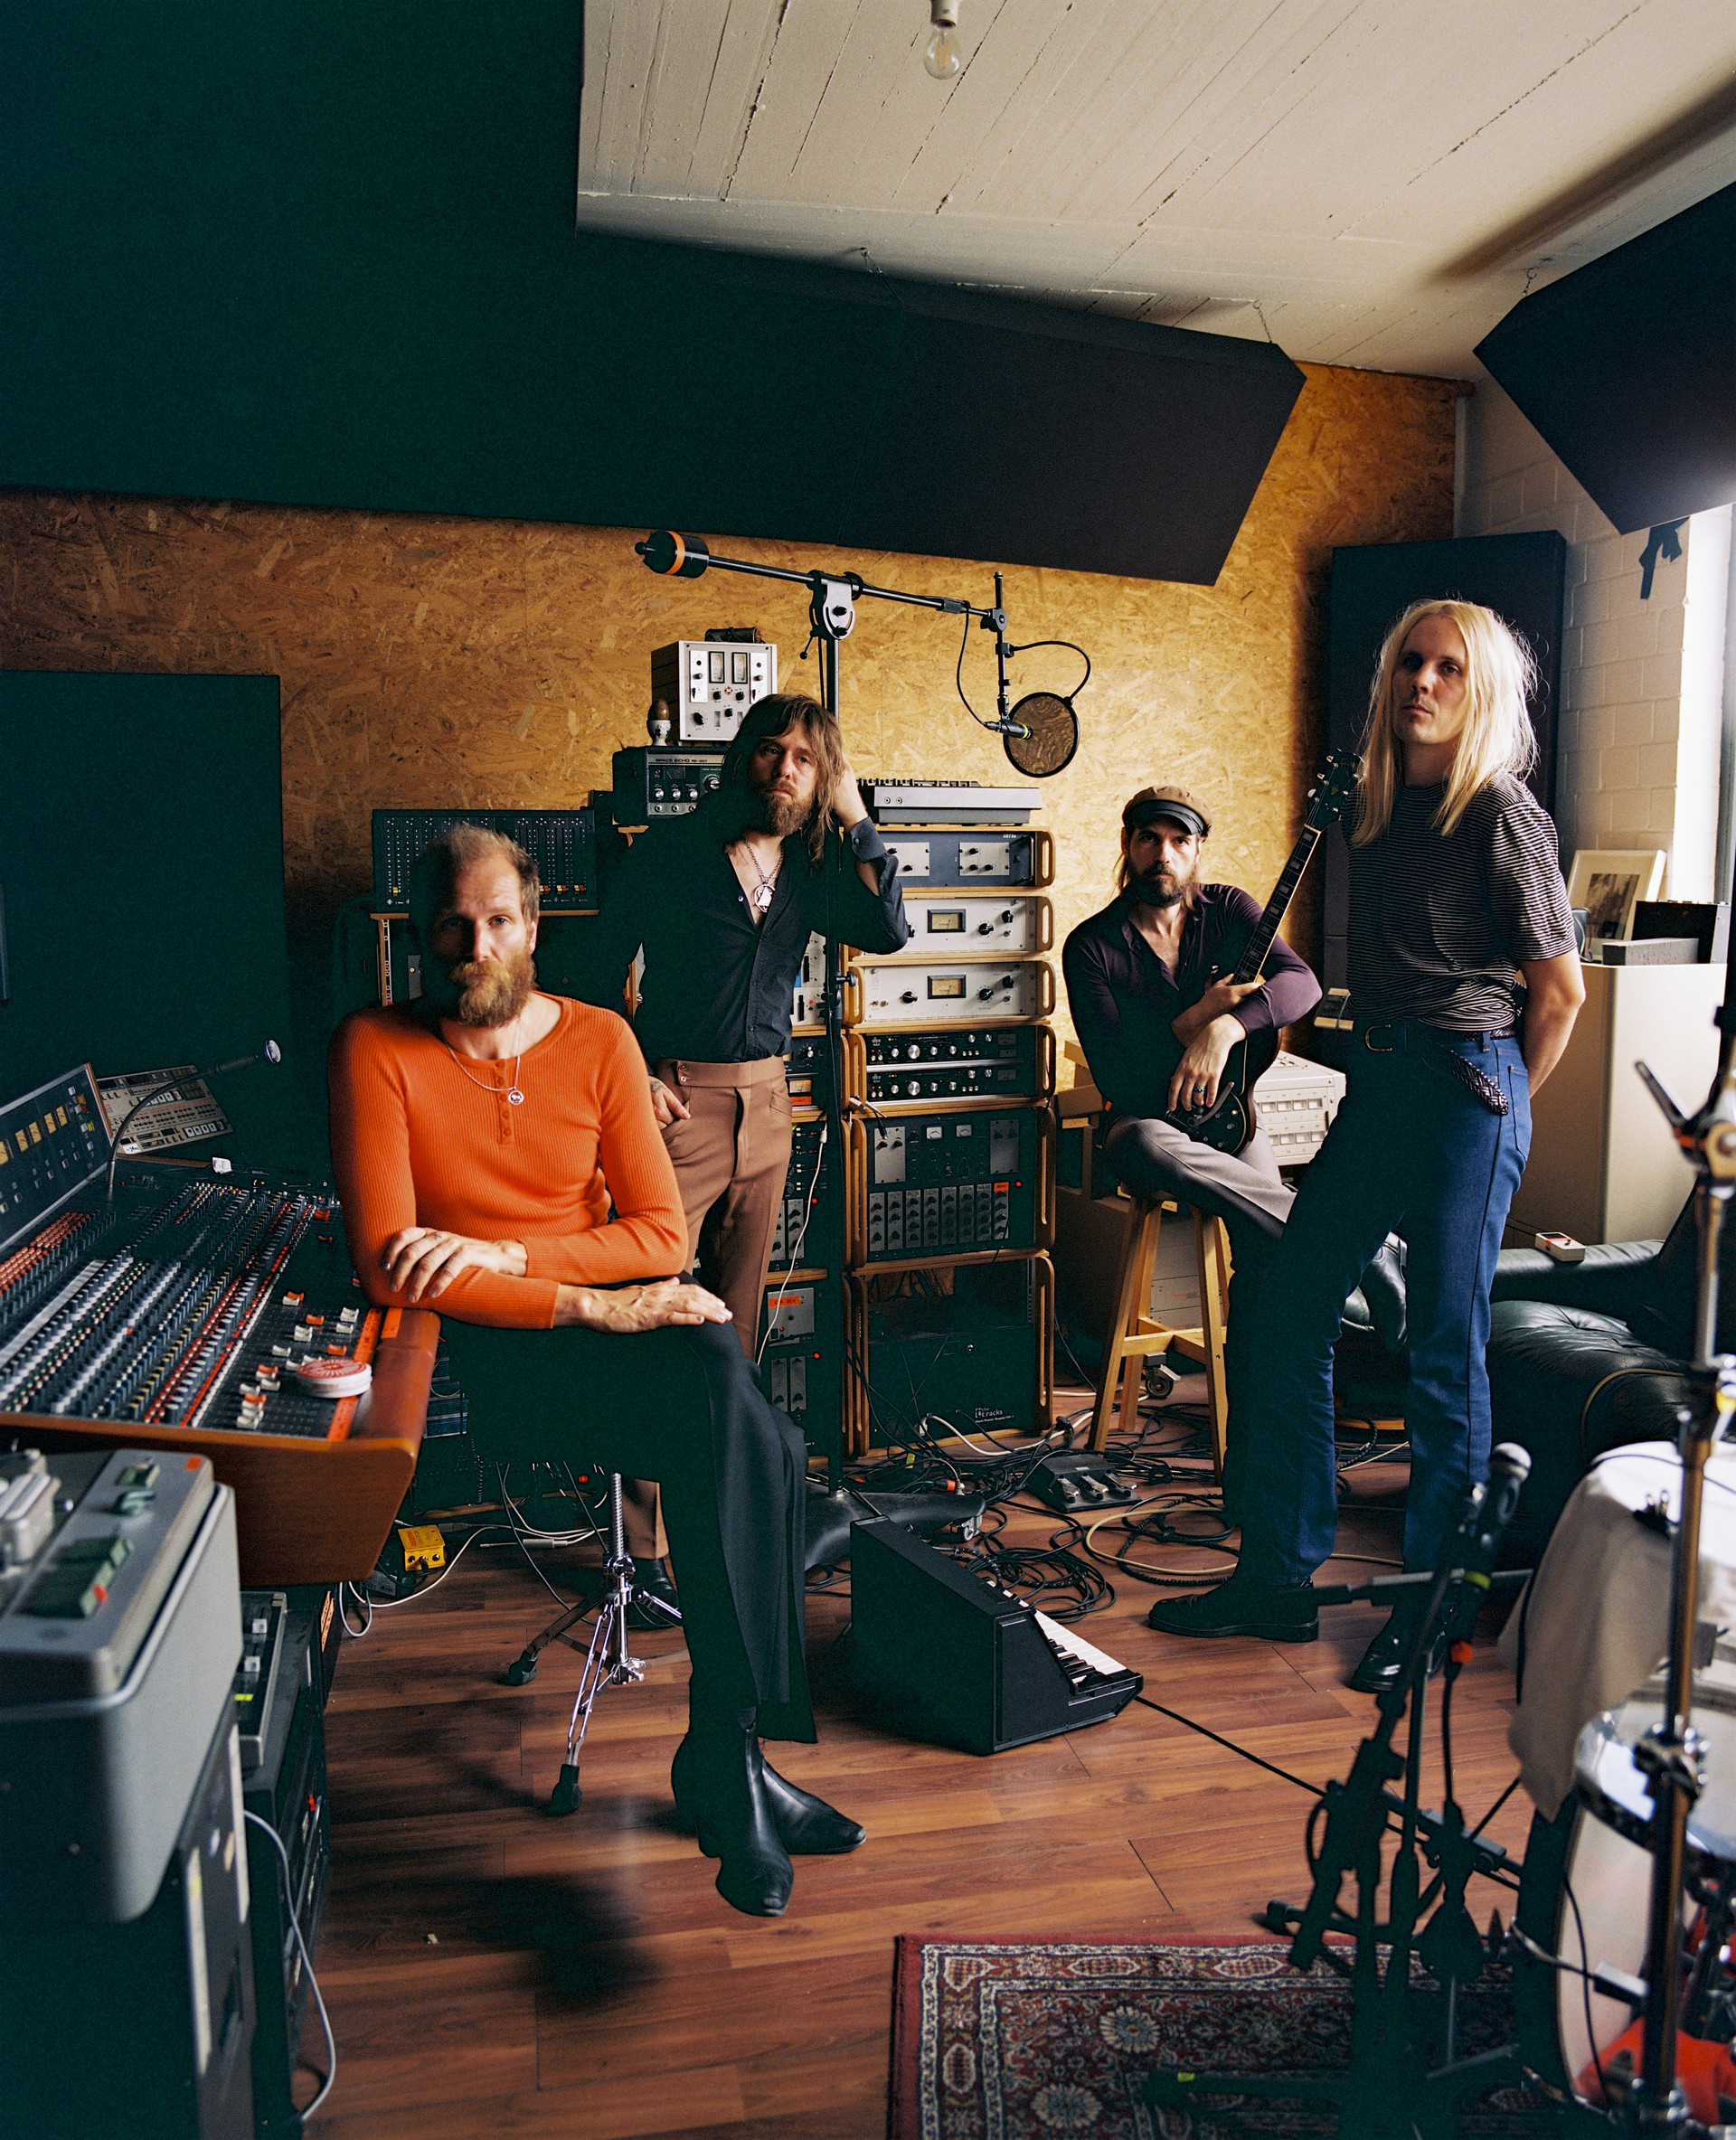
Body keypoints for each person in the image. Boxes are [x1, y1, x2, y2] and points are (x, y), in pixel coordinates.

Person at [327, 824, 865, 1916]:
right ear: (423, 936)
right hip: (510, 1359)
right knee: (749, 1434)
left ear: (534, 925)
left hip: (594, 1319)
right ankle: (729, 1759)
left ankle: (728, 1752)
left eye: (499, 920)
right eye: (453, 926)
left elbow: (660, 1235)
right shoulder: (373, 1047)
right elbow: (392, 1265)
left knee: (719, 1384)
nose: (477, 946)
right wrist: (584, 1300)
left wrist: (505, 1254)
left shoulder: (602, 1038)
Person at [1147, 600, 1584, 1692]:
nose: (1421, 683)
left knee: (1442, 1348)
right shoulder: (1376, 812)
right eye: (1409, 664)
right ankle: (1278, 1579)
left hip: (1467, 1082)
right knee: (1286, 1304)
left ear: (1481, 689)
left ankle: (1437, 1608)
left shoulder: (1501, 812)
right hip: (1378, 1080)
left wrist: (1499, 1111)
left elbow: (1559, 993)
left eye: (1448, 669)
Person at [579, 693, 908, 1587]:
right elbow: (592, 973)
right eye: (771, 750)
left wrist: (858, 817)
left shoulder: (811, 867)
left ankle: (714, 1526)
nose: (785, 770)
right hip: (676, 1103)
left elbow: (888, 928)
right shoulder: (671, 852)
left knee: (734, 1323)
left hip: (769, 1107)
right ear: (742, 759)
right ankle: (640, 1552)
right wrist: (633, 1075)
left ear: (822, 776)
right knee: (654, 1316)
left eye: (806, 759)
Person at [1063, 783, 1341, 1514]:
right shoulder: (1091, 946)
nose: (1163, 853)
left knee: (1271, 1269)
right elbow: (1120, 1075)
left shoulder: (1231, 911)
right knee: (1148, 1139)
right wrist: (1192, 1020)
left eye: (1178, 840)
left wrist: (1228, 1027)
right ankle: (1345, 1239)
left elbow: (1303, 983)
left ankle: (1253, 1466)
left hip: (1235, 1126)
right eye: (1149, 838)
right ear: (1128, 846)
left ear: (1197, 850)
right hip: (1146, 1131)